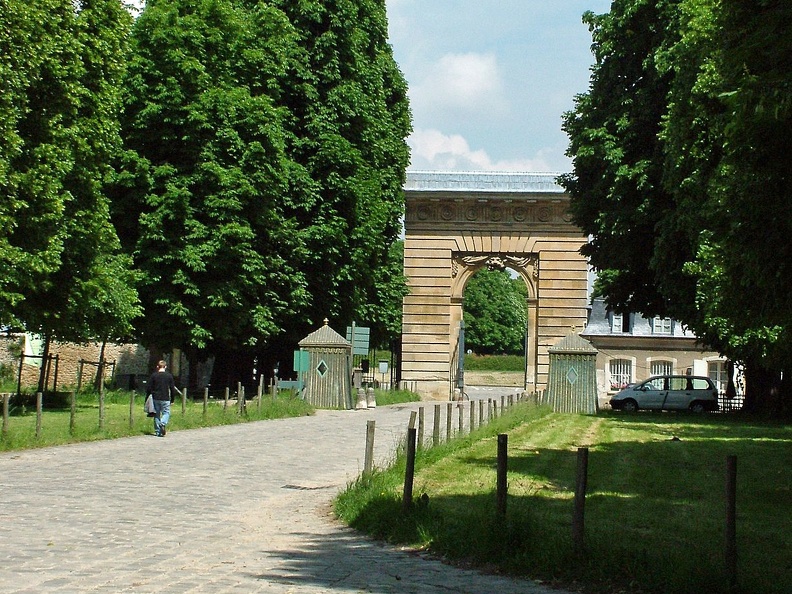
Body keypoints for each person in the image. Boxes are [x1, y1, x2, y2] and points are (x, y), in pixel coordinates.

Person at [146, 360, 181, 437]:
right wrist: (172, 399)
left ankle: (158, 432)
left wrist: (147, 399)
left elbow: (149, 388)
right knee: (166, 413)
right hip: (165, 398)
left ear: (157, 367)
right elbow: (172, 388)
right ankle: (163, 423)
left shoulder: (154, 376)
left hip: (155, 398)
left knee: (156, 414)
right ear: (165, 367)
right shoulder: (169, 376)